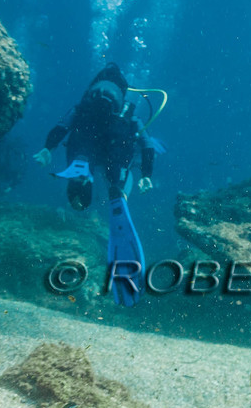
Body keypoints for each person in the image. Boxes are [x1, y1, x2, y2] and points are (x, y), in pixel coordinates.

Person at [34, 62, 158, 306]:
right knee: (118, 169)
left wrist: (48, 148)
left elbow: (61, 127)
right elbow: (147, 144)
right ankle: (118, 189)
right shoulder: (129, 112)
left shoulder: (83, 107)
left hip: (86, 148)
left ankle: (83, 176)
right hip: (115, 151)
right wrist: (146, 174)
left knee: (82, 160)